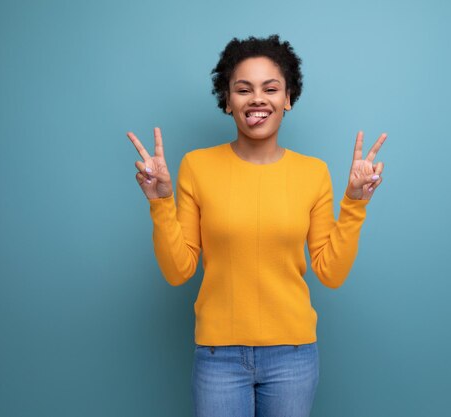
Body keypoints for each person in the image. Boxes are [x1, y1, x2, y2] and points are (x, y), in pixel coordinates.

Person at [127, 34, 387, 417]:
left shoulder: (312, 173)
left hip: (293, 357)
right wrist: (160, 201)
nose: (257, 98)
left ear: (288, 98)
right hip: (218, 357)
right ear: (228, 101)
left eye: (271, 88)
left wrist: (355, 204)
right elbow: (177, 270)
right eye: (243, 89)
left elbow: (330, 273)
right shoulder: (198, 167)